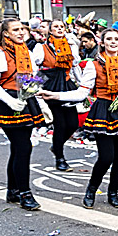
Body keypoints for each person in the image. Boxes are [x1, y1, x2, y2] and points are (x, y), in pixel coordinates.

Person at [42, 28, 118, 208]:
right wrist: (56, 96)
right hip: (103, 110)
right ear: (103, 43)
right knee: (106, 157)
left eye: (116, 39)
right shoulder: (93, 65)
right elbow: (82, 92)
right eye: (109, 39)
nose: (113, 42)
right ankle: (91, 189)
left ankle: (113, 193)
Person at [0, 18, 46, 211]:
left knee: (19, 148)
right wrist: (10, 100)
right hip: (8, 102)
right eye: (15, 30)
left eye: (22, 29)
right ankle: (24, 193)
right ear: (5, 33)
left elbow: (32, 76)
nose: (21, 32)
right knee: (23, 147)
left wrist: (34, 90)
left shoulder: (27, 52)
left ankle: (13, 190)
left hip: (25, 100)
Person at [34, 18, 81, 171]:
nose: (59, 29)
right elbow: (35, 69)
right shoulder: (42, 48)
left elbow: (75, 67)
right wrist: (32, 87)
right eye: (56, 27)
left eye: (62, 26)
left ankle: (56, 146)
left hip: (67, 85)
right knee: (60, 124)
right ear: (50, 30)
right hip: (52, 86)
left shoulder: (71, 47)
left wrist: (84, 85)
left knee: (73, 123)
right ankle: (60, 158)